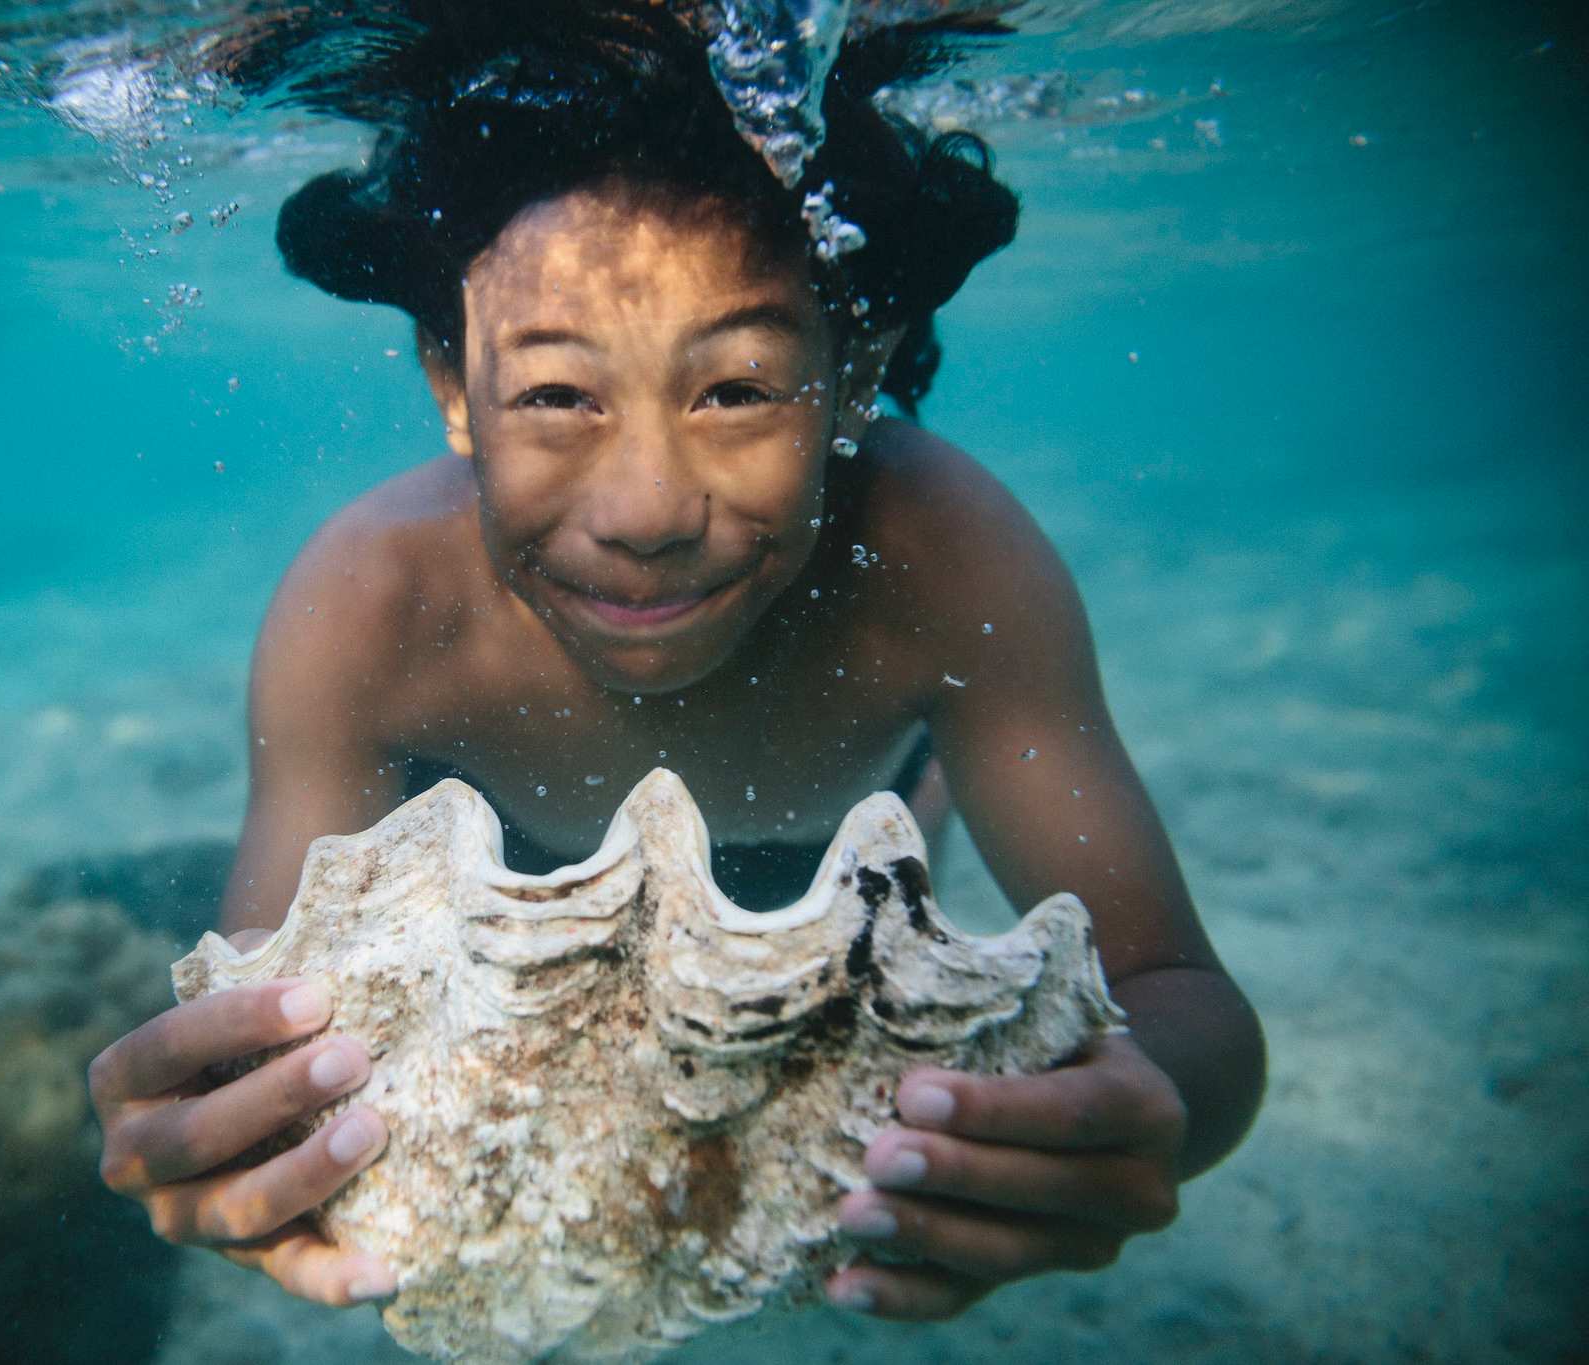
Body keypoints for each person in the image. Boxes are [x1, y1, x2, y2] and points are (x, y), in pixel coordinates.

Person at [89, 2, 1265, 1324]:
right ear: (451, 385)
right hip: (519, 863)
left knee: (893, 857)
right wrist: (233, 1131)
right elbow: (269, 1018)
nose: (647, 507)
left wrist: (1144, 1108)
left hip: (837, 843)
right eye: (555, 396)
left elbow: (1179, 994)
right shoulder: (370, 607)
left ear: (855, 364)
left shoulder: (947, 559)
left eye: (738, 389)